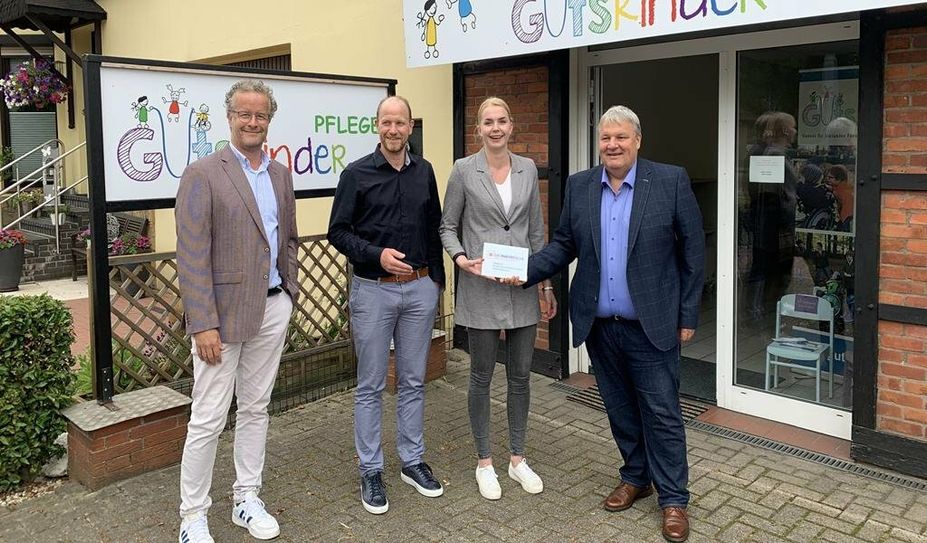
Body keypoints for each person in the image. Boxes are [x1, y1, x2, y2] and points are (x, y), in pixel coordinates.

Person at [519, 105, 704, 542]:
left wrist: (688, 315)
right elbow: (564, 243)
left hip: (651, 324)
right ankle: (636, 477)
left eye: (621, 137)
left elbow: (693, 252)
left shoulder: (670, 181)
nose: (612, 145)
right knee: (619, 408)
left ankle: (674, 498)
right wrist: (526, 270)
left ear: (637, 140)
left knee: (662, 412)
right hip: (600, 325)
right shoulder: (581, 186)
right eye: (605, 138)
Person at [175, 80, 298, 543]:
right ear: (229, 117)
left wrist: (289, 293)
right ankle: (192, 516)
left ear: (269, 120)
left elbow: (287, 239)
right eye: (244, 114)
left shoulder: (281, 174)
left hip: (271, 309)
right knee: (207, 418)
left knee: (256, 409)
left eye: (260, 115)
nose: (252, 122)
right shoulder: (203, 173)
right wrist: (201, 321)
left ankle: (246, 498)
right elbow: (191, 254)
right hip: (220, 321)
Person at [327, 95, 446, 515]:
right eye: (386, 123)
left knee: (414, 381)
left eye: (400, 123)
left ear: (410, 127)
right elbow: (337, 232)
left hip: (418, 289)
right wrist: (375, 254)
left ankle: (412, 462)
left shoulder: (425, 172)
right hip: (373, 289)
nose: (393, 130)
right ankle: (371, 469)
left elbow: (434, 225)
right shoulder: (356, 174)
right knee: (371, 384)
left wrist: (437, 281)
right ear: (377, 126)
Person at [439, 97, 556, 500]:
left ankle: (518, 458)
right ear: (478, 129)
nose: (495, 128)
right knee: (481, 377)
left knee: (521, 377)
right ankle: (484, 461)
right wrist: (460, 259)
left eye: (502, 120)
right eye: (487, 122)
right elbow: (447, 226)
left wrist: (546, 285)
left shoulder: (527, 170)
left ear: (511, 126)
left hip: (522, 290)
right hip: (481, 289)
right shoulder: (462, 170)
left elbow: (536, 233)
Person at [744, 111, 798, 320]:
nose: (795, 131)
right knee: (766, 265)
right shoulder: (775, 155)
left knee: (766, 265)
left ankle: (762, 310)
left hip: (772, 220)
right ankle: (759, 311)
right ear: (785, 130)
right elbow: (782, 192)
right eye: (792, 127)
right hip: (773, 220)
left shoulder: (774, 153)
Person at [826, 164, 854, 232]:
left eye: (830, 177)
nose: (827, 179)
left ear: (839, 179)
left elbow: (847, 212)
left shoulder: (845, 193)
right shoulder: (841, 187)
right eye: (827, 177)